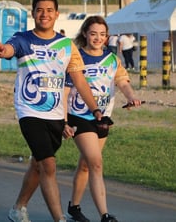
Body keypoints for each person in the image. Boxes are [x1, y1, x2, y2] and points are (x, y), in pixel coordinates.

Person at [0, 0, 103, 222]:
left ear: (56, 14)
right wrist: (3, 51)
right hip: (29, 111)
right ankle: (59, 219)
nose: (44, 14)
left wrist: (95, 110)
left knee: (38, 165)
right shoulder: (22, 39)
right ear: (33, 13)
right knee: (49, 165)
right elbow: (10, 49)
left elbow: (79, 81)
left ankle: (18, 207)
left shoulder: (67, 46)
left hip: (55, 114)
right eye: (39, 10)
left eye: (49, 10)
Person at [63, 16, 142, 222]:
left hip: (103, 118)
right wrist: (63, 119)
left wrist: (131, 97)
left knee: (86, 165)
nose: (97, 38)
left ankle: (74, 208)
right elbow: (66, 89)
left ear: (107, 37)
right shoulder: (75, 58)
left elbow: (122, 82)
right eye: (93, 33)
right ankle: (105, 215)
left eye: (102, 34)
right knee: (96, 163)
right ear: (85, 34)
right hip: (79, 116)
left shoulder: (112, 60)